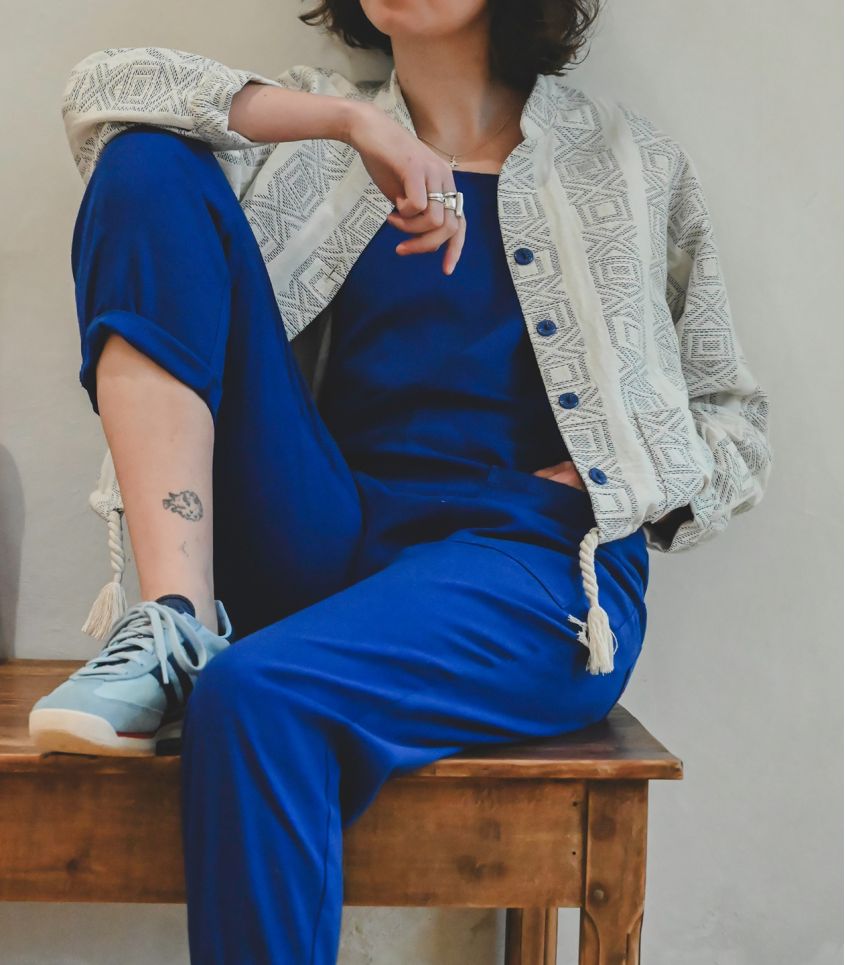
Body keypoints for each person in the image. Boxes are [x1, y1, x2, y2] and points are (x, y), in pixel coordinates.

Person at [29, 0, 772, 960]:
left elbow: (731, 418)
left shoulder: (626, 161)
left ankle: (216, 669)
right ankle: (175, 617)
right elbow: (101, 90)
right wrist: (352, 123)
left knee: (256, 694)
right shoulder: (312, 131)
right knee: (144, 158)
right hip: (328, 528)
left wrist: (619, 477)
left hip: (531, 564)